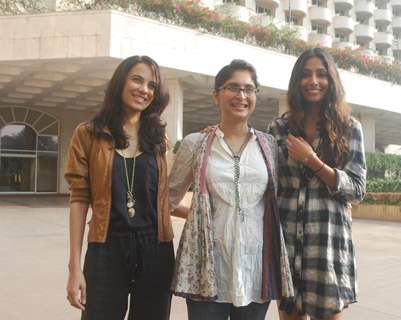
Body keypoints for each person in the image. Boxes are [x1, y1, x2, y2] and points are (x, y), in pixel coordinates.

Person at [168, 59, 294, 320]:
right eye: (233, 88)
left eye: (249, 89)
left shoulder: (270, 145)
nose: (241, 95)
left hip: (256, 269)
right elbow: (167, 198)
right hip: (206, 269)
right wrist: (195, 215)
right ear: (216, 94)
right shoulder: (196, 143)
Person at [64, 55, 174, 320]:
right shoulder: (88, 133)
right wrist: (74, 267)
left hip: (156, 247)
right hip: (106, 246)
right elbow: (79, 198)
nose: (144, 89)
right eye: (137, 79)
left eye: (152, 85)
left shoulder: (159, 138)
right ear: (119, 82)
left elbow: (164, 197)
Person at [268, 47, 367, 320]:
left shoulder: (350, 127)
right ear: (296, 81)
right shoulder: (279, 128)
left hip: (327, 245)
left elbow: (357, 189)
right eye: (306, 74)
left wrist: (312, 160)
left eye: (321, 74)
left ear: (331, 80)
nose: (313, 81)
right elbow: (268, 185)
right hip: (287, 242)